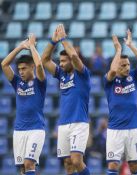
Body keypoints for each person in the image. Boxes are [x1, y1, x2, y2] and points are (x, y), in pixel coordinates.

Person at [42, 24, 91, 175]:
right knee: (68, 164)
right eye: (60, 61)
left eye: (64, 61)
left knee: (76, 160)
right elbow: (44, 60)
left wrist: (63, 39)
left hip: (79, 123)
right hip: (63, 124)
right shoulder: (61, 75)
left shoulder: (83, 74)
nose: (61, 64)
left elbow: (75, 56)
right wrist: (53, 41)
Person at [103, 30, 137, 175]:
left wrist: (130, 45)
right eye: (123, 65)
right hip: (115, 129)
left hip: (133, 128)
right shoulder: (109, 81)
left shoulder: (134, 77)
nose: (127, 67)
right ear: (117, 66)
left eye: (128, 64)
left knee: (134, 166)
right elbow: (111, 71)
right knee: (112, 166)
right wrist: (118, 50)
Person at [1, 34, 46, 175]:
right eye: (19, 69)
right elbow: (4, 64)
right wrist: (20, 47)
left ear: (31, 67)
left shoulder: (40, 82)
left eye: (24, 68)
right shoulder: (17, 83)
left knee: (29, 163)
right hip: (19, 130)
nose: (20, 72)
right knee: (22, 168)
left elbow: (39, 64)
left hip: (36, 129)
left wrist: (31, 46)